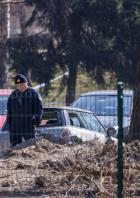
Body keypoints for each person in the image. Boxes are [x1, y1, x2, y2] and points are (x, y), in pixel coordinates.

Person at [7, 74, 43, 147]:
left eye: (22, 84)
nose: (20, 86)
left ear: (26, 83)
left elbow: (38, 109)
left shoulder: (34, 93)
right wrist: (9, 123)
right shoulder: (13, 95)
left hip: (28, 124)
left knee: (31, 146)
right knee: (15, 147)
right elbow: (9, 110)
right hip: (15, 125)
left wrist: (36, 121)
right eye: (18, 85)